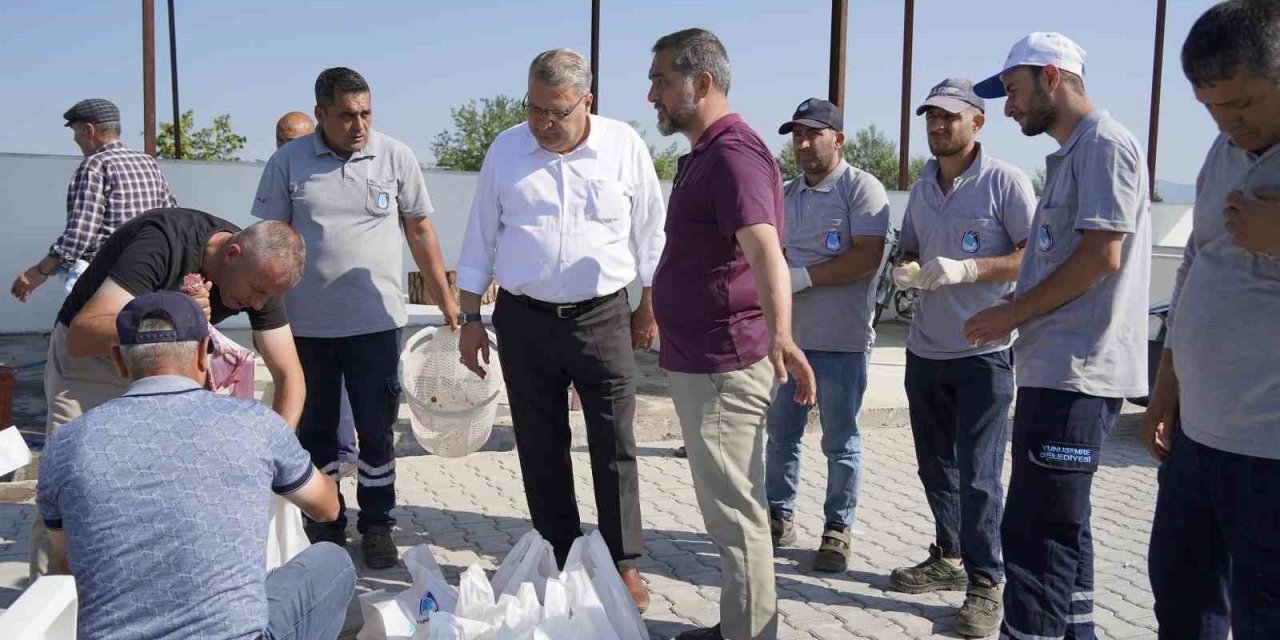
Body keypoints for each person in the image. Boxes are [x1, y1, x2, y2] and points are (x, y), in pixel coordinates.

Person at [456, 48, 665, 611]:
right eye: (534, 108)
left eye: (557, 111)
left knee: (614, 443)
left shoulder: (624, 146)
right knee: (540, 443)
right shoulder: (506, 150)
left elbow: (651, 235)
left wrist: (650, 306)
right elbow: (479, 236)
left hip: (603, 317)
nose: (544, 122)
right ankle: (561, 554)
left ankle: (623, 564)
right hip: (524, 321)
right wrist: (469, 317)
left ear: (586, 102)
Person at [967, 32, 1151, 640]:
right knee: (1063, 526)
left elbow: (1102, 256)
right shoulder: (1077, 152)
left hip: (1079, 372)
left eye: (1014, 91)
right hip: (1058, 370)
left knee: (1036, 534)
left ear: (1052, 77)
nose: (1009, 107)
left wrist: (1010, 313)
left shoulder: (1104, 146)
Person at [37, 291, 353, 640]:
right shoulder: (254, 424)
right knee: (331, 562)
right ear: (205, 353)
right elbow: (327, 508)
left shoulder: (66, 445)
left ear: (119, 360)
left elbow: (70, 562)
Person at [253, 67, 458, 569]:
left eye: (366, 112)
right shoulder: (288, 163)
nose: (359, 124)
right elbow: (271, 241)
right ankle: (325, 525)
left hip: (376, 326)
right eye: (346, 115)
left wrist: (447, 300)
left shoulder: (395, 156)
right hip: (308, 328)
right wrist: (262, 308)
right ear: (321, 113)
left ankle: (378, 526)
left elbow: (421, 231)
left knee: (377, 431)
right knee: (317, 434)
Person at [648, 28, 816, 640]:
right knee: (728, 510)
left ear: (703, 82)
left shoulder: (733, 154)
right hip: (703, 359)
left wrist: (783, 337)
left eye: (663, 79)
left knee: (735, 515)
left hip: (724, 364)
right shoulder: (706, 151)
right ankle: (737, 626)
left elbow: (765, 248)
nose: (652, 94)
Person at [1145, 3, 1280, 637]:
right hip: (1200, 440)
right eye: (1212, 108)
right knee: (1181, 595)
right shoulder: (1222, 151)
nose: (1229, 123)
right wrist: (1167, 387)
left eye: (1243, 104)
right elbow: (1193, 266)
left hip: (1270, 453)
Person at [887, 78, 1036, 638]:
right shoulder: (923, 186)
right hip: (926, 349)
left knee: (978, 476)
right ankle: (947, 558)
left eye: (949, 117)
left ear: (978, 122)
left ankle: (986, 583)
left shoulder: (1005, 182)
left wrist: (970, 269)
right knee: (936, 466)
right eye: (930, 117)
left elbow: (1032, 257)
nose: (937, 126)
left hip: (984, 352)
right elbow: (909, 245)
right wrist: (906, 266)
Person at [766, 97, 888, 574]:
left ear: (838, 139)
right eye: (796, 134)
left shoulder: (863, 190)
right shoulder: (786, 194)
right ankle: (778, 514)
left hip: (841, 343)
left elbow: (867, 257)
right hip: (789, 341)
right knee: (782, 438)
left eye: (812, 133)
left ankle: (838, 528)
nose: (802, 142)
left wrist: (806, 278)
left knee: (840, 440)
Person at [11, 98, 176, 302]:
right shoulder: (148, 162)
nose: (75, 139)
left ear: (89, 130)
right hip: (150, 274)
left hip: (106, 277)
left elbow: (80, 234)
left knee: (76, 332)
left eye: (75, 131)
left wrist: (38, 271)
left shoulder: (95, 166)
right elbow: (170, 216)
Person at [273, 110, 358, 479]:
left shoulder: (332, 174)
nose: (288, 147)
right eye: (282, 139)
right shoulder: (281, 173)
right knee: (301, 381)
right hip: (298, 307)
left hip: (347, 306)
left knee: (342, 388)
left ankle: (345, 452)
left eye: (295, 140)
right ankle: (303, 458)